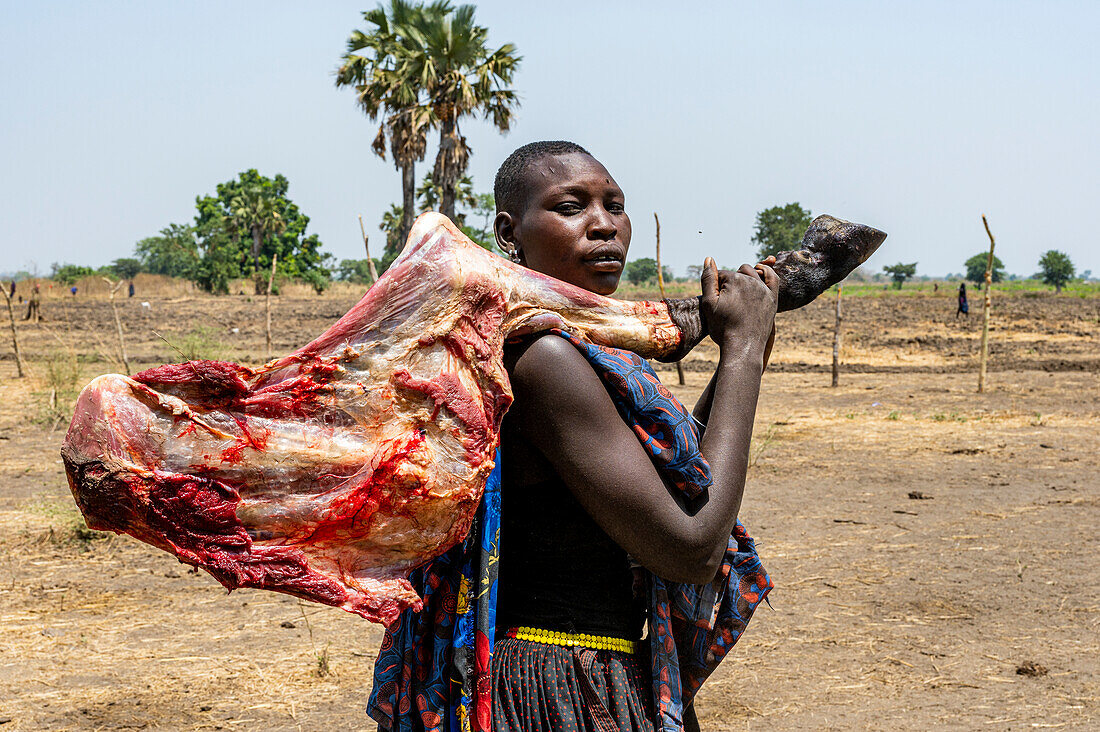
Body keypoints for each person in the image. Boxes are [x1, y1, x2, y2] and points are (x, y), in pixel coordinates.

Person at [369, 141, 776, 732]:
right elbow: (691, 548)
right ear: (510, 232)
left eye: (615, 205)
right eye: (571, 206)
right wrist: (741, 356)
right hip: (555, 681)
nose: (604, 225)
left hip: (575, 670)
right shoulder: (544, 358)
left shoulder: (566, 348)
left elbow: (680, 480)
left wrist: (743, 354)